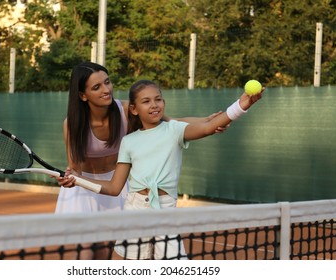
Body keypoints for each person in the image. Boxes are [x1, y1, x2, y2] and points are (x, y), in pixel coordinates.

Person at [67, 79, 263, 260]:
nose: (154, 105)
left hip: (166, 209)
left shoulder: (175, 129)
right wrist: (77, 179)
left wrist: (241, 105)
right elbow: (114, 187)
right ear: (134, 109)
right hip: (135, 208)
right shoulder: (128, 142)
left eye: (158, 99)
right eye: (146, 101)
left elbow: (208, 127)